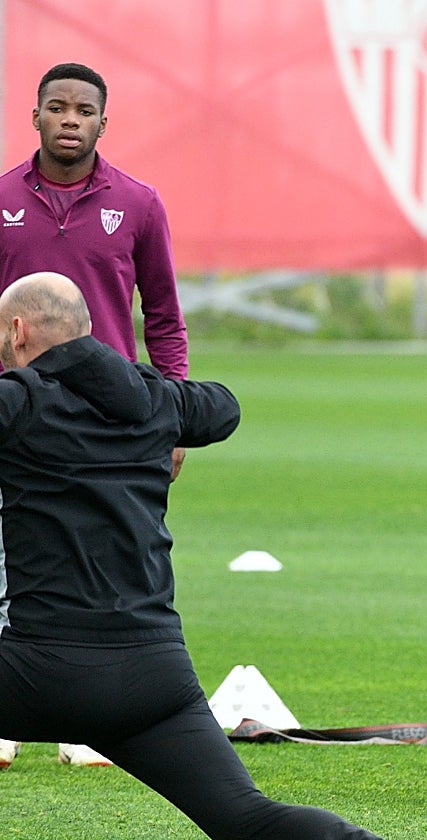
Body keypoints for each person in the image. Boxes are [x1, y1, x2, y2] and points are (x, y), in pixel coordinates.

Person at [0, 272, 382, 839]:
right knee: (249, 819)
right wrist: (143, 389)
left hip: (36, 671)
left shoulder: (19, 402)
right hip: (152, 678)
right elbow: (223, 407)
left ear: (18, 330)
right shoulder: (154, 400)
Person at [0, 62, 191, 770]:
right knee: (9, 549)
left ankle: (87, 721)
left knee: (105, 553)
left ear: (103, 123)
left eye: (84, 110)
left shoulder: (138, 203)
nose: (70, 120)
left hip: (110, 416)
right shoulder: (0, 200)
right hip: (16, 409)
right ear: (36, 117)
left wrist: (172, 407)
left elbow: (164, 314)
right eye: (58, 107)